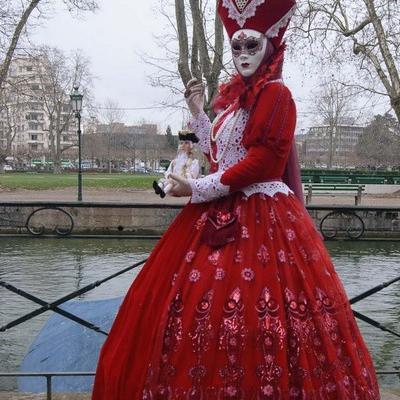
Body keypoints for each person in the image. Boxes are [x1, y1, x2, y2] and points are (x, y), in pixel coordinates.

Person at [92, 0, 380, 398]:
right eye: (236, 47)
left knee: (260, 316)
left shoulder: (277, 95)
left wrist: (199, 189)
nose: (243, 54)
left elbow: (263, 162)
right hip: (220, 211)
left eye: (251, 45)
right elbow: (222, 153)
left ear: (270, 44)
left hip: (264, 217)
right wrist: (197, 113)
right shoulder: (235, 99)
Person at [153, 130, 200, 198]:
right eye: (181, 143)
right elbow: (168, 171)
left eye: (186, 143)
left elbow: (192, 178)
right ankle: (159, 189)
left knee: (173, 181)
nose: (183, 145)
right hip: (173, 183)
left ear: (191, 146)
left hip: (184, 184)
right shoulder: (175, 161)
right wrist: (169, 177)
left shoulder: (194, 162)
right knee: (166, 181)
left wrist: (184, 173)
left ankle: (164, 190)